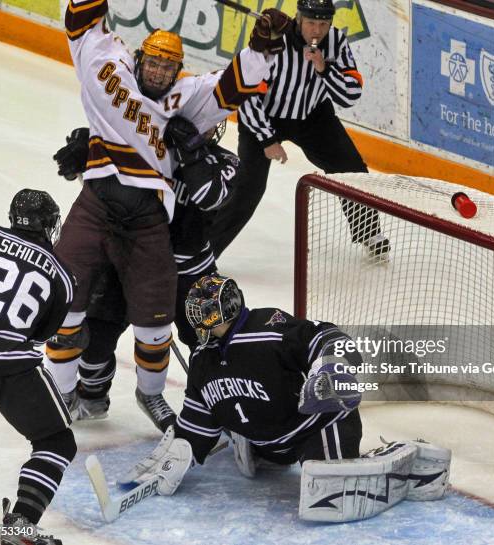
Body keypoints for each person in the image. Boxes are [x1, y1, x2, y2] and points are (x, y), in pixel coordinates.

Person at [46, 0, 292, 430]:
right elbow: (82, 24)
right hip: (98, 206)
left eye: (168, 67)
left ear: (177, 72)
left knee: (157, 324)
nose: (159, 73)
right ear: (140, 60)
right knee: (69, 302)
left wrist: (262, 45)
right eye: (154, 64)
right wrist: (88, 146)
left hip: (168, 245)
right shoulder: (111, 72)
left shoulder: (187, 103)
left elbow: (231, 87)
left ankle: (155, 395)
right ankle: (68, 392)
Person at [121, 274, 451, 522]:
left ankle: (393, 457)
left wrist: (329, 364)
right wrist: (183, 448)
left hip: (314, 430)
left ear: (223, 310)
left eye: (202, 314)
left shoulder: (268, 326)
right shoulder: (202, 361)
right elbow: (199, 420)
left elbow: (325, 336)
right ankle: (252, 447)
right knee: (256, 458)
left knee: (329, 489)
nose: (195, 322)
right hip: (264, 446)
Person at [50, 118, 240, 426]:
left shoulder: (225, 160)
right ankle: (93, 393)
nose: (203, 127)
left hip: (190, 270)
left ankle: (210, 408)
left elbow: (210, 197)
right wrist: (90, 147)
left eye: (208, 122)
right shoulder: (148, 145)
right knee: (96, 338)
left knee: (210, 343)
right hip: (131, 257)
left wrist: (190, 153)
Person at [209, 0, 389, 259]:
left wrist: (323, 69)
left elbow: (351, 94)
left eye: (324, 24)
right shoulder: (272, 41)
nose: (317, 30)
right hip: (265, 116)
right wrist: (267, 140)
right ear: (298, 19)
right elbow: (246, 95)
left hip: (312, 116)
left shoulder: (336, 42)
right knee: (248, 189)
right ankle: (205, 253)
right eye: (311, 23)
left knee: (352, 170)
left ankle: (369, 233)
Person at [0, 189, 76, 545]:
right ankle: (22, 523)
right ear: (48, 225)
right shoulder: (62, 275)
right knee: (56, 441)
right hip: (10, 364)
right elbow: (42, 333)